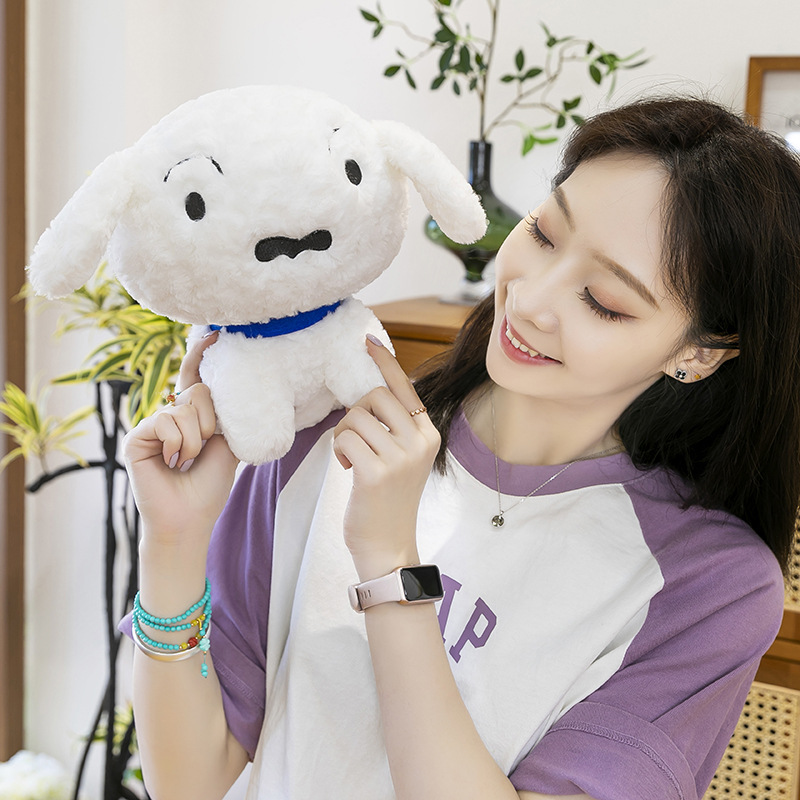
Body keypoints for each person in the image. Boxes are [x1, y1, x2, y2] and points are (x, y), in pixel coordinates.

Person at [122, 96, 800, 800]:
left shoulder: (708, 584)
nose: (530, 300)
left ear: (700, 352)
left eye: (602, 299)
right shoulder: (328, 422)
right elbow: (192, 784)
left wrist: (391, 563)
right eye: (543, 233)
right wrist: (174, 541)